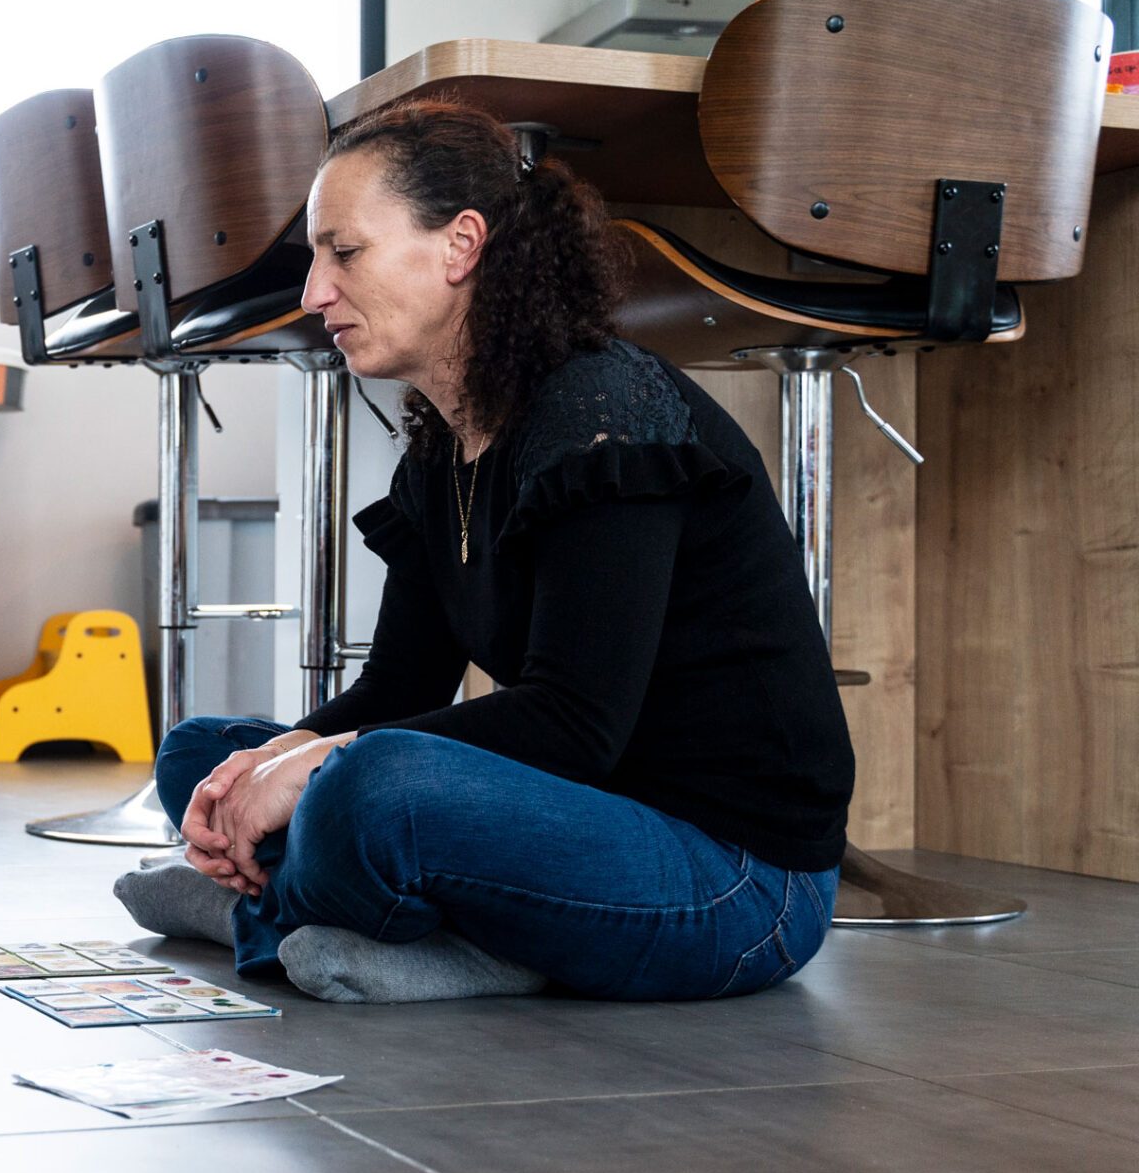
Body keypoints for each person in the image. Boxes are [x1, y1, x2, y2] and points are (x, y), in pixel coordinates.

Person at [115, 100, 854, 1005]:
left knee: (369, 788)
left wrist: (311, 770)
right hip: (579, 818)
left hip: (737, 880)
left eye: (344, 252)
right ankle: (433, 931)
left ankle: (254, 913)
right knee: (205, 755)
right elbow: (397, 690)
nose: (313, 293)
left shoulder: (602, 412)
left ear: (461, 246)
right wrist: (279, 762)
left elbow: (574, 724)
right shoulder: (445, 445)